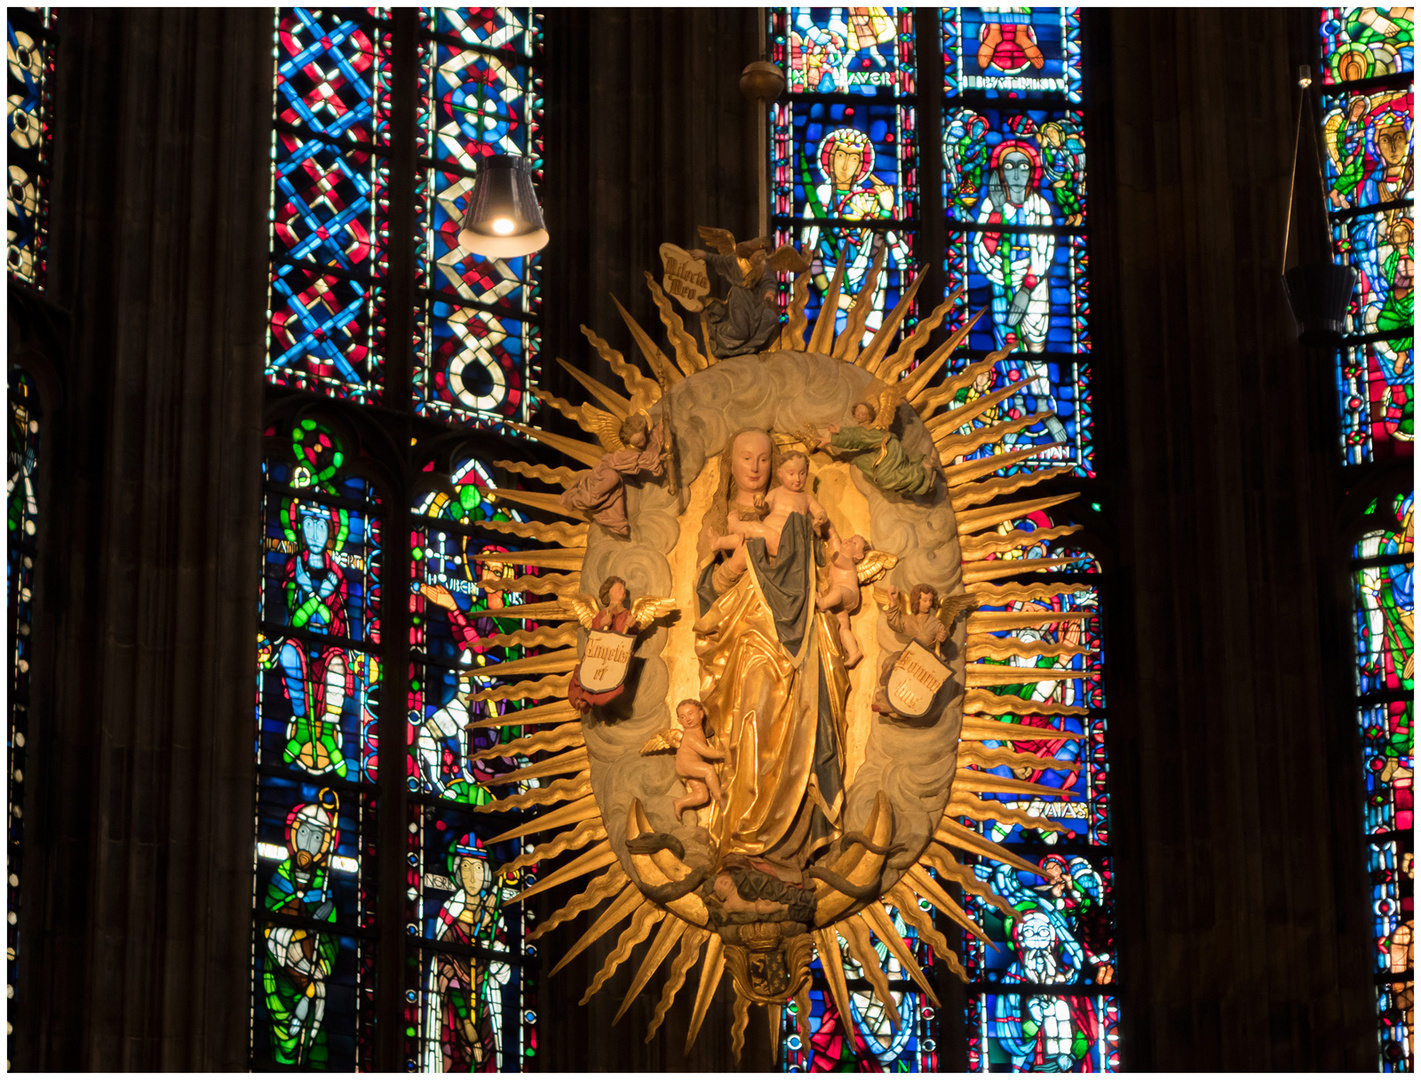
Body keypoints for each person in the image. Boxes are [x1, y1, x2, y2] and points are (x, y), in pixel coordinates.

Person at [693, 429, 850, 882]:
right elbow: (707, 593)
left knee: (804, 720)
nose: (756, 467)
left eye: (764, 458)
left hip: (801, 633)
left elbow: (824, 565)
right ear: (732, 464)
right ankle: (746, 836)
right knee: (755, 723)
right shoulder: (726, 519)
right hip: (749, 639)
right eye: (747, 458)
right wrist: (738, 563)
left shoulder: (794, 510)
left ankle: (790, 844)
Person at [560, 412, 668, 536]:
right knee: (612, 479)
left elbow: (651, 448)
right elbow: (643, 461)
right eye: (638, 443)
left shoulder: (639, 448)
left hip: (615, 478)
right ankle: (579, 499)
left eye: (642, 440)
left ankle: (617, 524)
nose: (642, 444)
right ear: (630, 442)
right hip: (605, 473)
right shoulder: (626, 454)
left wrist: (661, 428)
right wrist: (655, 464)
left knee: (619, 517)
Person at [819, 400, 937, 498]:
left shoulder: (867, 429)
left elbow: (857, 439)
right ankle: (918, 464)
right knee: (862, 461)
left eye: (863, 412)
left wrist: (830, 440)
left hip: (888, 447)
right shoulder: (865, 428)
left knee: (885, 478)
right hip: (886, 447)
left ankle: (922, 476)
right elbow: (854, 434)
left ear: (869, 415)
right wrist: (840, 430)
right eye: (857, 412)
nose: (859, 414)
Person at [567, 575, 633, 714]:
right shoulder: (602, 614)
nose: (623, 591)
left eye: (624, 589)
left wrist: (632, 625)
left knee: (615, 685)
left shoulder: (627, 614)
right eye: (619, 588)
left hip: (615, 658)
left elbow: (627, 637)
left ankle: (587, 699)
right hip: (598, 655)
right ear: (609, 592)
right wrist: (602, 623)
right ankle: (582, 697)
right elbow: (594, 631)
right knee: (582, 674)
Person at [816, 533, 870, 667]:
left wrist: (834, 543)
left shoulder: (848, 561)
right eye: (851, 538)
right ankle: (854, 652)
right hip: (842, 603)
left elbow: (835, 558)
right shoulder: (846, 557)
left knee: (838, 591)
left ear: (858, 556)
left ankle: (822, 603)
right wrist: (830, 531)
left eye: (854, 543)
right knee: (843, 627)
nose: (850, 541)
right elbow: (833, 533)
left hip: (848, 593)